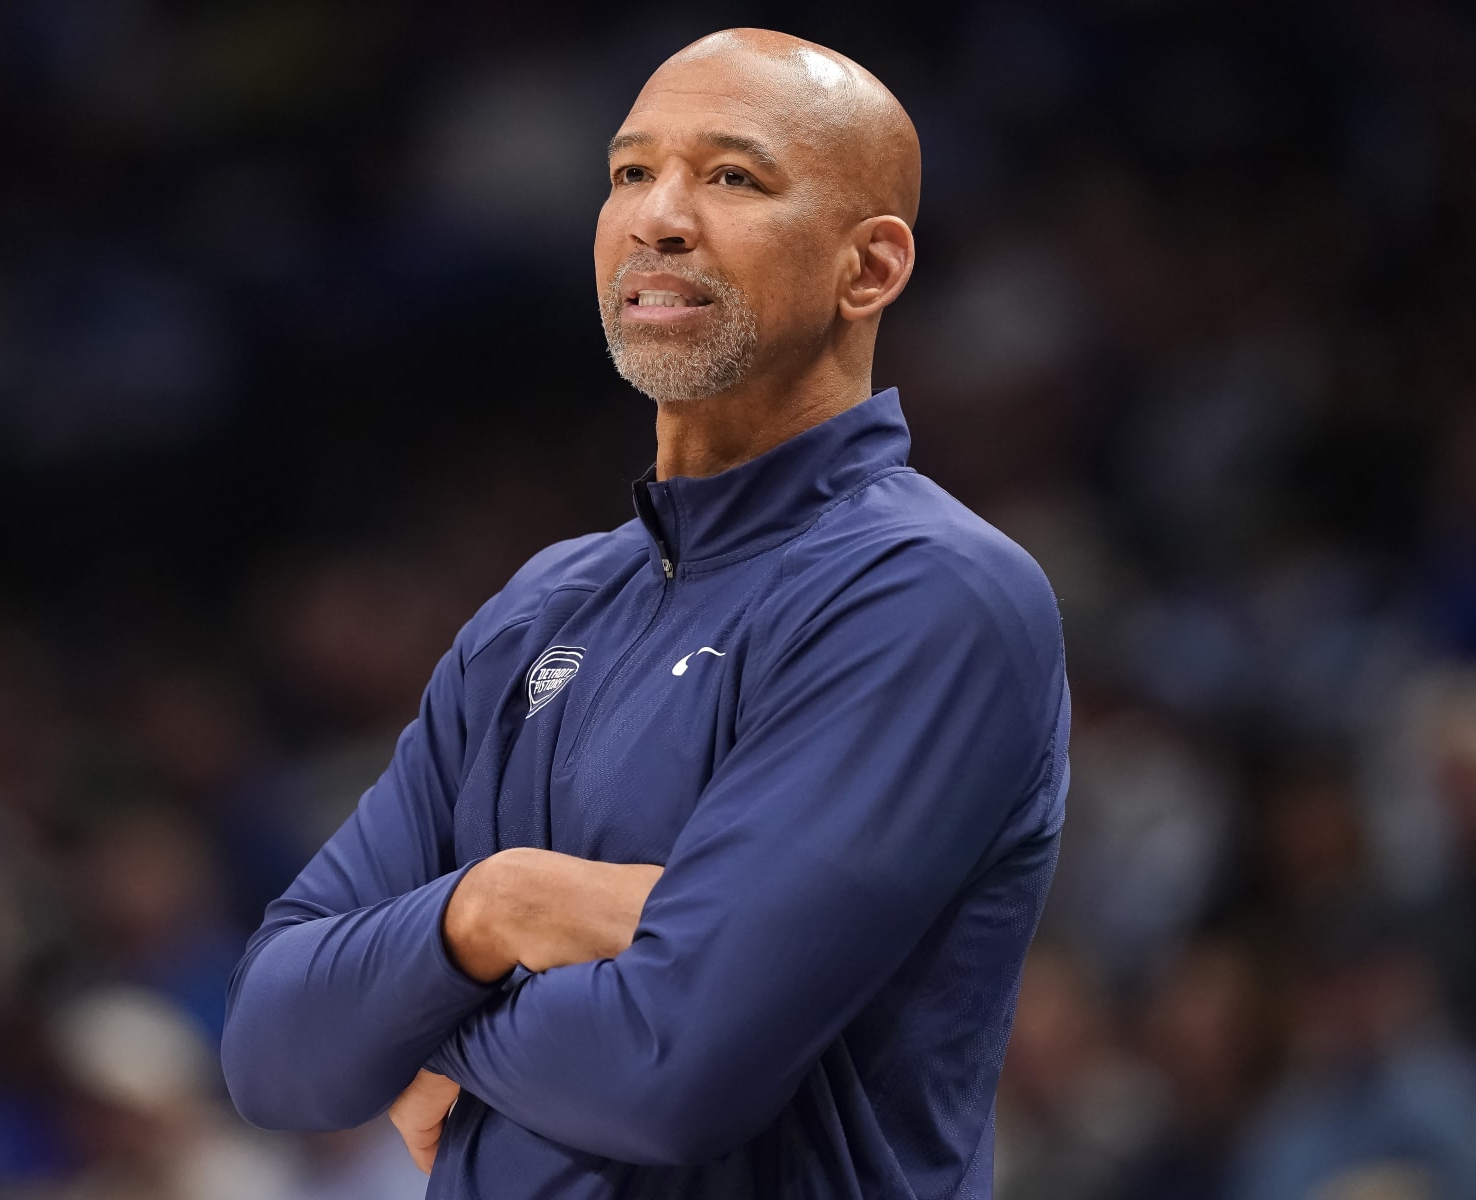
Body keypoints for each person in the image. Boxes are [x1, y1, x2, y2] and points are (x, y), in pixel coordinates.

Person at [221, 28, 1069, 1199]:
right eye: (630, 173)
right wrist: (492, 908)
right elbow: (269, 1047)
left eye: (732, 177)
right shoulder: (540, 610)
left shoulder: (930, 593)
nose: (658, 218)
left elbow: (671, 1073)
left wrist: (413, 1023)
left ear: (867, 269)